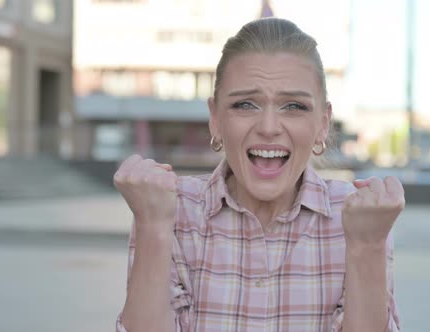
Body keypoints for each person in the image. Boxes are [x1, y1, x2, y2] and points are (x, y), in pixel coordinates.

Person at [113, 17, 403, 332]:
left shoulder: (358, 217)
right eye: (245, 104)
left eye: (293, 106)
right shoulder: (169, 209)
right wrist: (152, 226)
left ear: (323, 123)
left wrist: (368, 246)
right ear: (215, 119)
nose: (268, 127)